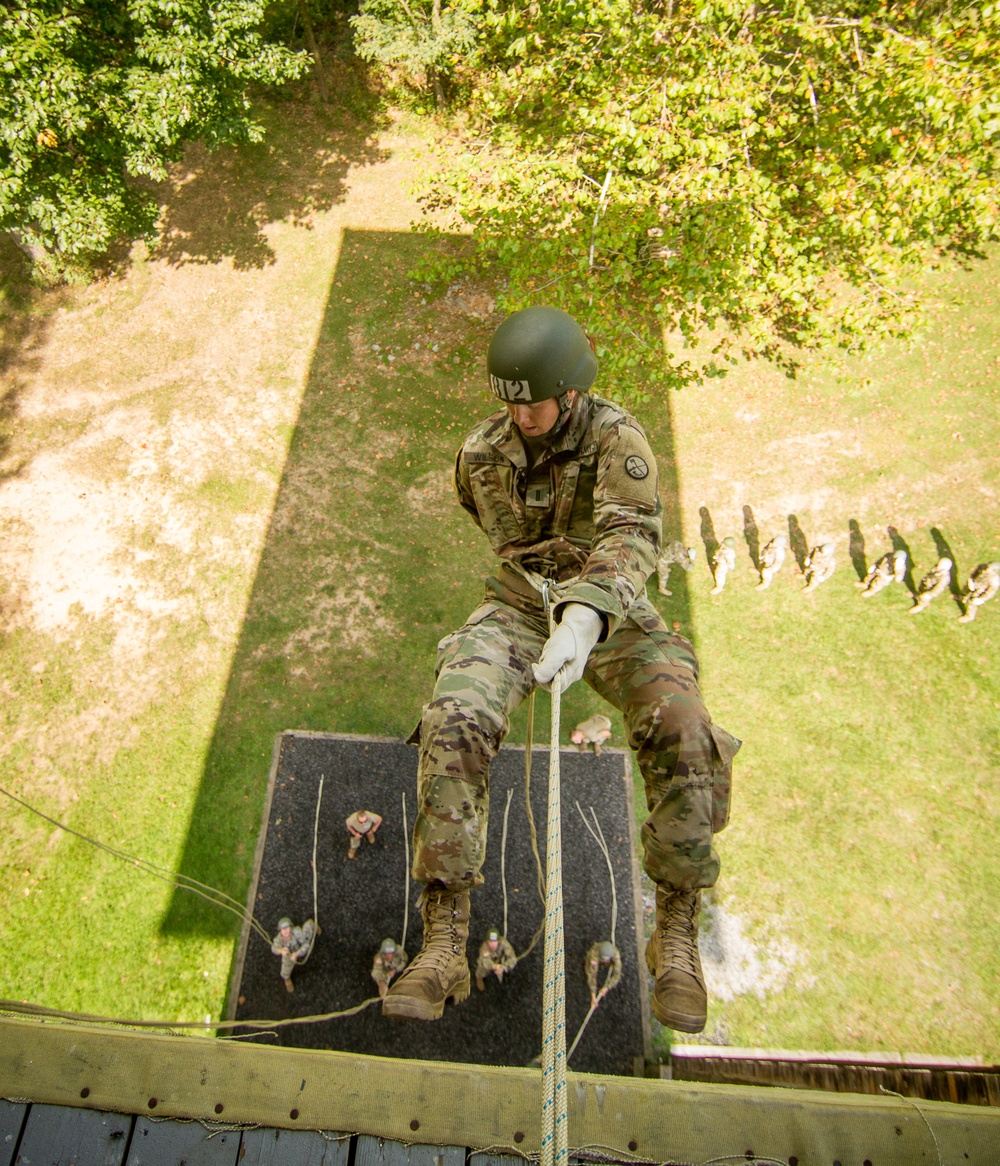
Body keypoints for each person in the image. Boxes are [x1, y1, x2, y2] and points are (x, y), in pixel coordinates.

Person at [382, 305, 740, 1034]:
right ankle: (446, 935)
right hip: (519, 606)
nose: (519, 412)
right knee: (455, 719)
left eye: (532, 399)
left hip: (609, 612)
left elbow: (633, 533)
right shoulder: (481, 452)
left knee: (686, 727)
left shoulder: (617, 439)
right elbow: (487, 525)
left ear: (571, 391)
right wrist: (542, 602)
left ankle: (674, 921)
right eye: (508, 398)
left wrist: (584, 614)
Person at [270, 916, 316, 993]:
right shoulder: (278, 939)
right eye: (283, 929)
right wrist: (280, 951)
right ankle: (287, 979)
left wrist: (297, 953)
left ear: (291, 928)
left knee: (308, 934)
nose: (285, 931)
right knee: (286, 968)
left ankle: (312, 925)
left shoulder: (297, 932)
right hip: (288, 955)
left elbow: (306, 944)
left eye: (287, 928)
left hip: (298, 947)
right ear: (280, 931)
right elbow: (273, 948)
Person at [585, 940, 622, 1009]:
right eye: (603, 959)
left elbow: (617, 975)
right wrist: (593, 995)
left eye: (606, 960)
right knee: (588, 969)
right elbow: (592, 975)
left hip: (610, 958)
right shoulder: (594, 955)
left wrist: (607, 987)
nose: (605, 961)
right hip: (595, 956)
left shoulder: (616, 956)